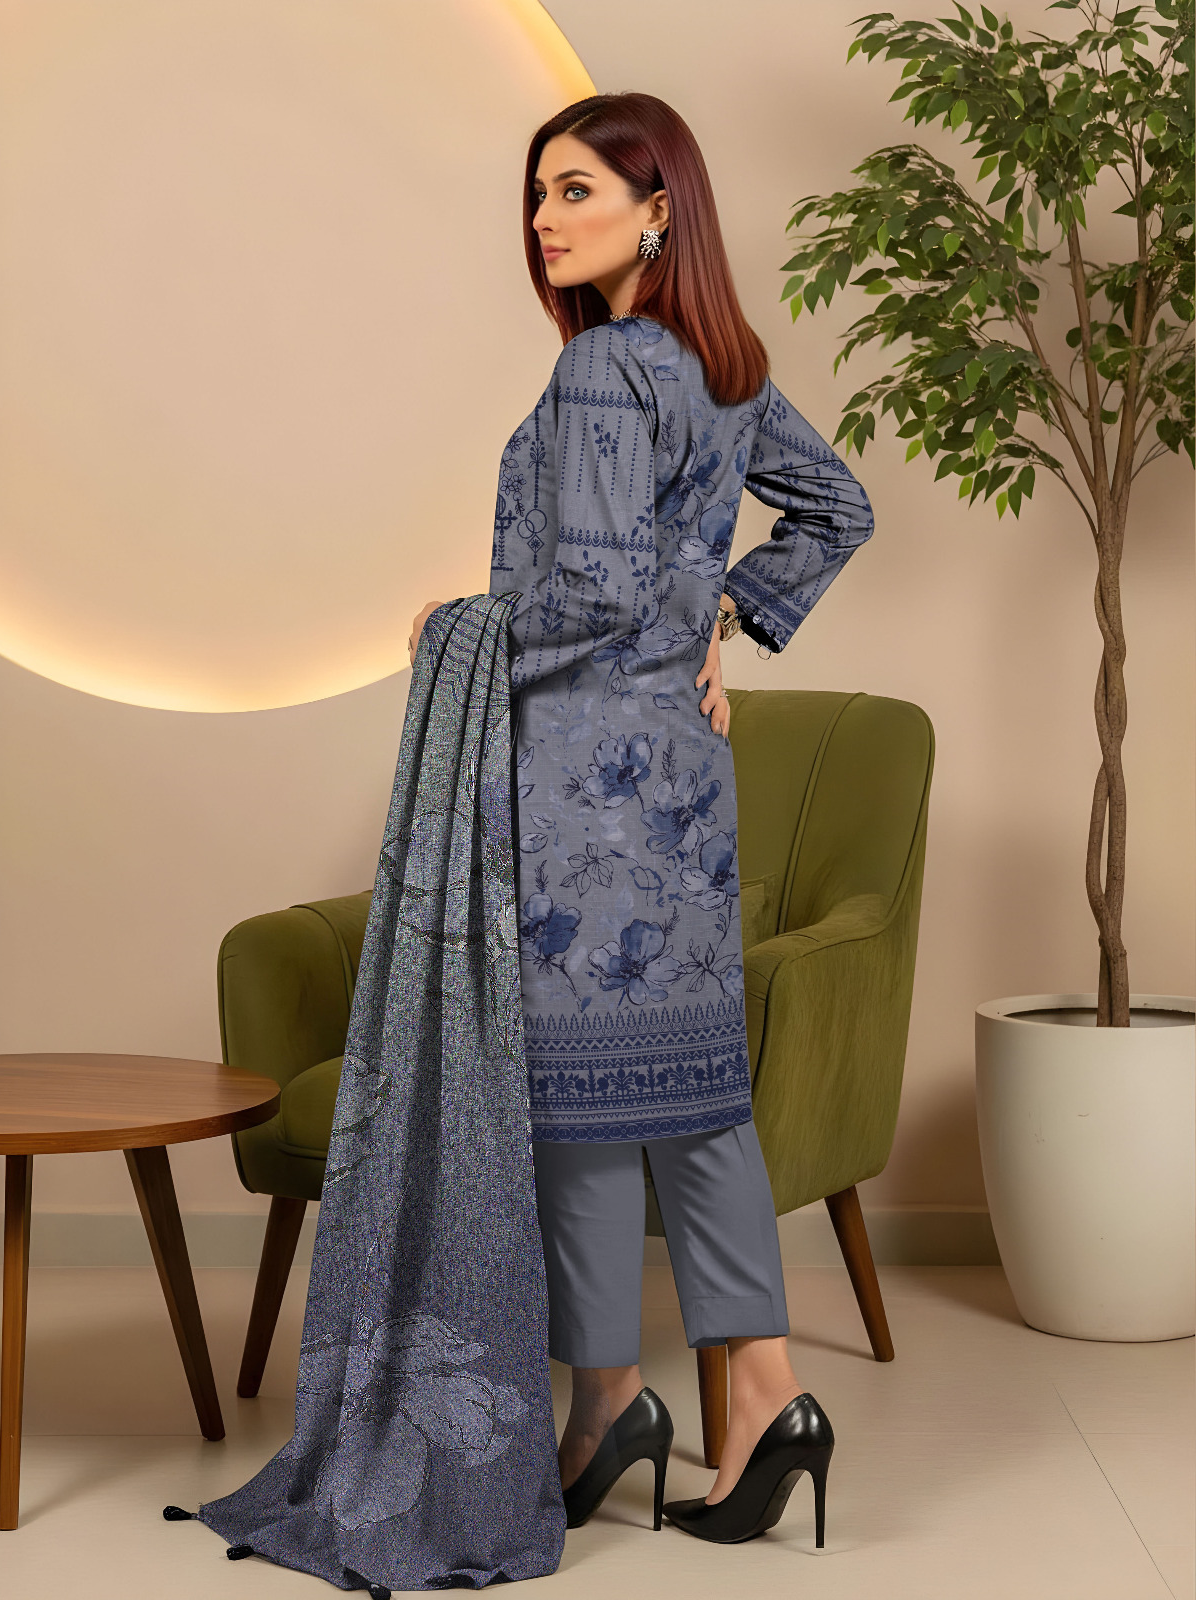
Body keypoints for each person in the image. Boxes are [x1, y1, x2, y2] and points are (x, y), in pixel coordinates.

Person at [408, 91, 873, 1548]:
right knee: (685, 1084)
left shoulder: (606, 364)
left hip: (582, 782)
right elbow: (838, 508)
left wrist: (458, 627)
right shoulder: (724, 368)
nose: (545, 219)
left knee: (583, 1096)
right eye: (538, 193)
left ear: (658, 208)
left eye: (576, 191)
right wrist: (724, 617)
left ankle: (613, 1398)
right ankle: (756, 1399)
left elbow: (592, 592)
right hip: (681, 777)